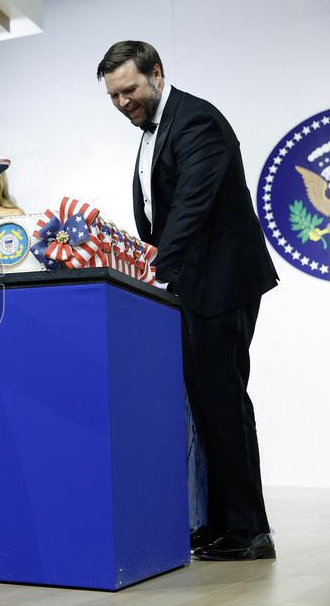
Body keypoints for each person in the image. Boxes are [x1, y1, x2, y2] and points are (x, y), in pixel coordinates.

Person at [97, 41, 279, 561]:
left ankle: (250, 531)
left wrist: (155, 273)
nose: (123, 102)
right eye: (113, 96)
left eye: (129, 89)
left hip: (221, 283)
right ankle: (221, 523)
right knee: (206, 406)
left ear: (156, 73)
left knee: (224, 403)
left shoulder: (197, 120)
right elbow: (158, 214)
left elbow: (191, 208)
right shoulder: (154, 128)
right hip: (191, 285)